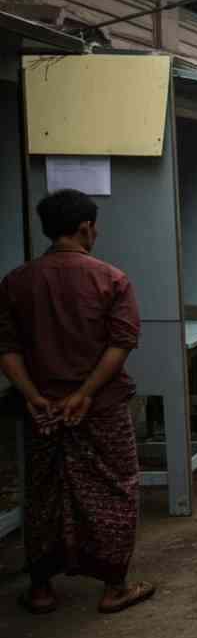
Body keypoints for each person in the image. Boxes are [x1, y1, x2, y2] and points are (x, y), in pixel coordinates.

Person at [0, 189, 154, 615]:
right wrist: (84, 393)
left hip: (42, 409)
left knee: (44, 492)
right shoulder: (110, 279)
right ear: (86, 228)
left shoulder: (18, 281)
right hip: (99, 406)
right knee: (113, 486)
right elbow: (122, 342)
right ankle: (114, 586)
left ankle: (41, 589)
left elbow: (7, 347)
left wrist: (32, 395)